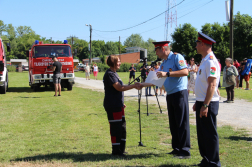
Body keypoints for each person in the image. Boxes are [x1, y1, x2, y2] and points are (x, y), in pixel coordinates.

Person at [140, 41, 191, 159]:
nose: (156, 53)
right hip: (170, 94)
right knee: (173, 123)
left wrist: (167, 74)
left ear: (163, 49)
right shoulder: (163, 63)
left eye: (156, 50)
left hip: (179, 93)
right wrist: (143, 84)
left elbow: (185, 71)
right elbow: (158, 81)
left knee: (182, 122)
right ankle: (176, 148)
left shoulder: (176, 57)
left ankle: (184, 151)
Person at [193, 32, 221, 167]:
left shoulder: (211, 62)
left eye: (197, 43)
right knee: (202, 133)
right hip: (201, 101)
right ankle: (206, 159)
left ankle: (214, 162)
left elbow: (212, 85)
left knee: (209, 133)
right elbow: (203, 85)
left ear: (203, 44)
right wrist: (197, 102)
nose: (196, 46)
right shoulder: (204, 61)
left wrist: (205, 104)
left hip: (208, 103)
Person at [103, 55, 140, 156]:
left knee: (122, 127)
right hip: (113, 105)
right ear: (113, 62)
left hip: (118, 104)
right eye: (118, 61)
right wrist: (133, 86)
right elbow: (119, 88)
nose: (120, 63)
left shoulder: (114, 73)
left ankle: (121, 149)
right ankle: (116, 151)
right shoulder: (110, 74)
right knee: (116, 128)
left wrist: (121, 102)